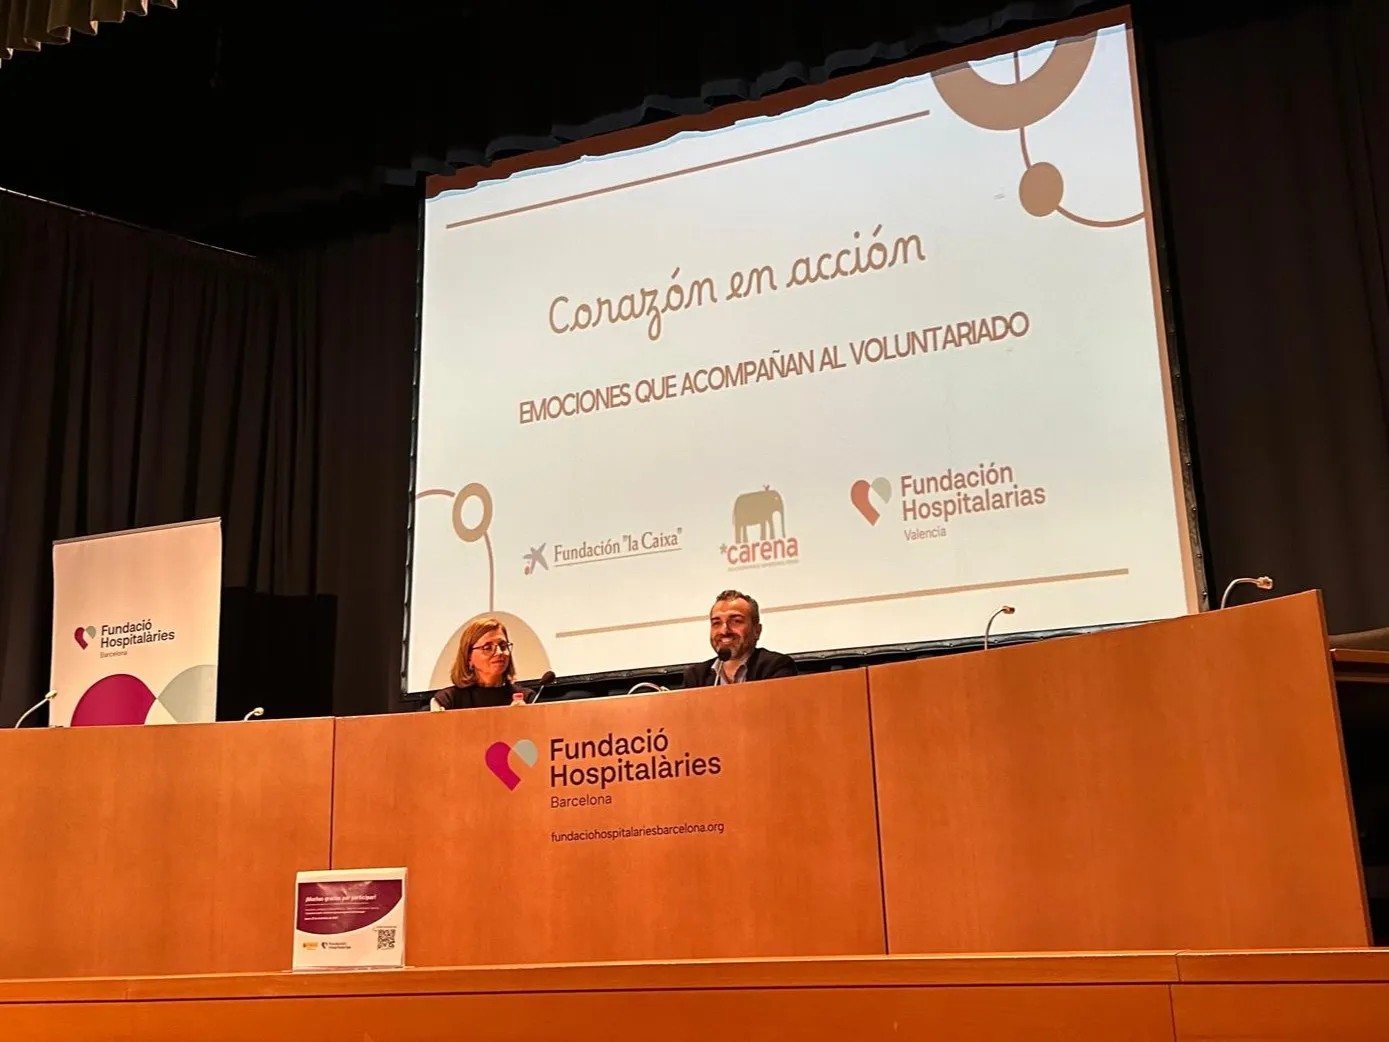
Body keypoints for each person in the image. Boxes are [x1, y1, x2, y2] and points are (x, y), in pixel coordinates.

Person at [682, 589, 797, 688]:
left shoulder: (775, 667)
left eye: (736, 621)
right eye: (716, 623)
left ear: (757, 631)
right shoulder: (696, 676)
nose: (724, 631)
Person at [430, 617, 533, 710]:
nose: (499, 652)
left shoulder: (527, 699)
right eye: (487, 648)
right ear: (468, 657)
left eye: (503, 646)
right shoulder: (449, 700)